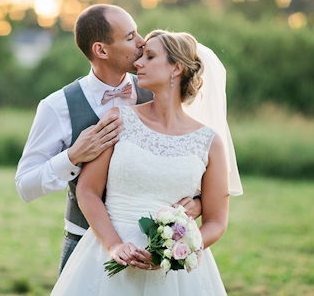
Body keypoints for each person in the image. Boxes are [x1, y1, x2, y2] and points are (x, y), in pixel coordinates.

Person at [15, 4, 205, 276]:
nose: (141, 43)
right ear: (101, 50)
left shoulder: (158, 89)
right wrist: (72, 157)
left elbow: (190, 155)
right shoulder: (57, 107)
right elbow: (25, 186)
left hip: (153, 249)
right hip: (83, 242)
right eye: (130, 37)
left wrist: (197, 201)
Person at [51, 30, 237, 295]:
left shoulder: (209, 142)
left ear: (176, 67)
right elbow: (87, 191)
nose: (137, 63)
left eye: (149, 57)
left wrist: (173, 253)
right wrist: (114, 245)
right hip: (108, 258)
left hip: (174, 276)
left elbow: (217, 221)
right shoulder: (118, 119)